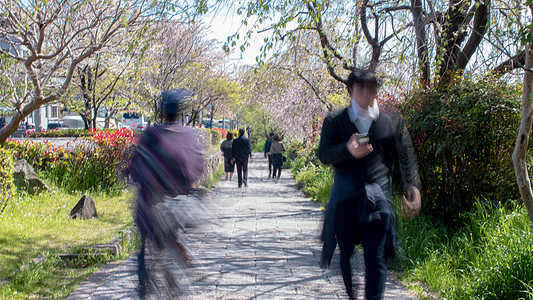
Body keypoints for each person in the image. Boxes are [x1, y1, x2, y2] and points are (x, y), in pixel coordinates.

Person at [318, 69, 421, 300]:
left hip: (377, 200)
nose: (366, 92)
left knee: (376, 260)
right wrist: (347, 150)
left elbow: (405, 156)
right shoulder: (335, 121)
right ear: (350, 89)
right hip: (345, 200)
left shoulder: (391, 120)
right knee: (345, 255)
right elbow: (323, 154)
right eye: (361, 86)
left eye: (371, 87)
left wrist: (412, 185)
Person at [128, 89, 204, 298]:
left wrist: (132, 174)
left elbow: (136, 164)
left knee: (145, 243)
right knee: (169, 237)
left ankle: (145, 285)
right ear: (178, 114)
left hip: (149, 202)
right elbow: (198, 168)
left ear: (162, 112)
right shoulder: (187, 135)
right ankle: (175, 276)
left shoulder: (151, 135)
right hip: (175, 203)